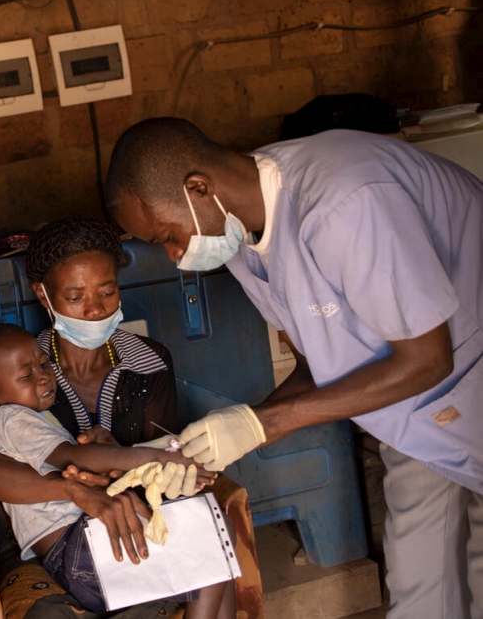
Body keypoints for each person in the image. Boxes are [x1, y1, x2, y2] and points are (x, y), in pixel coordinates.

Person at [106, 117, 483, 618]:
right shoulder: (245, 240)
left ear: (199, 188)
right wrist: (216, 440)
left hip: (456, 377)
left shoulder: (343, 202)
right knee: (417, 570)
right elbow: (319, 366)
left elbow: (428, 358)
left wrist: (263, 425)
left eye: (167, 235)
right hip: (406, 407)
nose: (176, 257)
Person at [0, 219, 209, 574]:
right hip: (61, 540)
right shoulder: (18, 367)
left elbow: (159, 465)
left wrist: (116, 454)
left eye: (107, 291)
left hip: (131, 523)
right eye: (74, 296)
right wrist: (72, 488)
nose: (95, 309)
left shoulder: (148, 360)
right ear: (42, 294)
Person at [0, 323, 233, 617]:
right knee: (215, 535)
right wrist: (160, 458)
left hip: (81, 551)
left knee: (217, 542)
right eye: (26, 375)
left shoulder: (39, 418)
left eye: (43, 363)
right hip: (77, 552)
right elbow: (76, 457)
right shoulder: (13, 418)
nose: (44, 377)